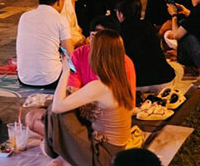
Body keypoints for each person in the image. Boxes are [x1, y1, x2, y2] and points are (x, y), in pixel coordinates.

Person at [25, 28, 133, 166]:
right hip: (114, 151)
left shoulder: (100, 86)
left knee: (56, 112)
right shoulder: (119, 80)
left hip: (101, 157)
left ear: (97, 55)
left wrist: (65, 72)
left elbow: (58, 107)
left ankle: (51, 149)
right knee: (57, 110)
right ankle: (53, 148)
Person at [15, 0, 73, 88]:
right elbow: (70, 53)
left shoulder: (24, 17)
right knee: (70, 65)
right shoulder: (60, 20)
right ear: (60, 1)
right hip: (51, 80)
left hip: (24, 78)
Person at [114, 0, 180, 91]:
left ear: (120, 14)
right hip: (164, 81)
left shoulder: (117, 32)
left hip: (134, 84)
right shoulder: (148, 26)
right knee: (178, 68)